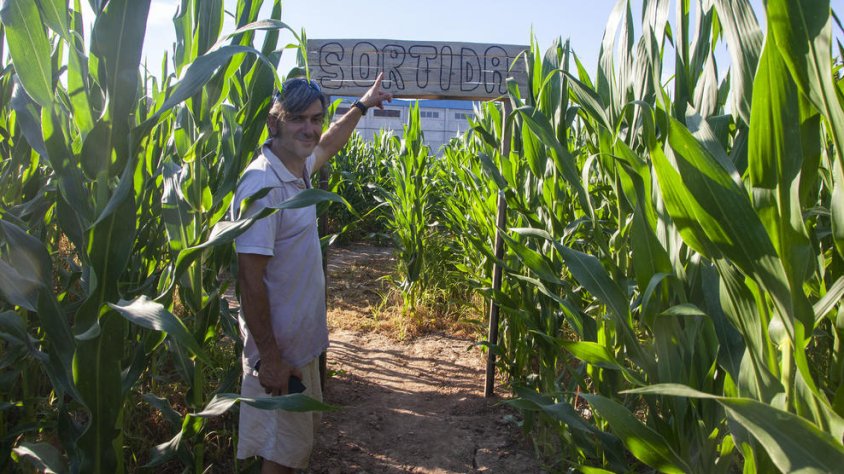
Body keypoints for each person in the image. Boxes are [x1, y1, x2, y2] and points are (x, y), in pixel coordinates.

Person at [233, 73, 392, 473]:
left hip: (299, 349)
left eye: (316, 118)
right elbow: (249, 281)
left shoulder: (297, 167)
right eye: (298, 119)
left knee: (289, 450)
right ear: (275, 122)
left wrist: (362, 104)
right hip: (279, 353)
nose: (310, 128)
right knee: (282, 457)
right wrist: (270, 358)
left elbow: (329, 142)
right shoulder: (263, 185)